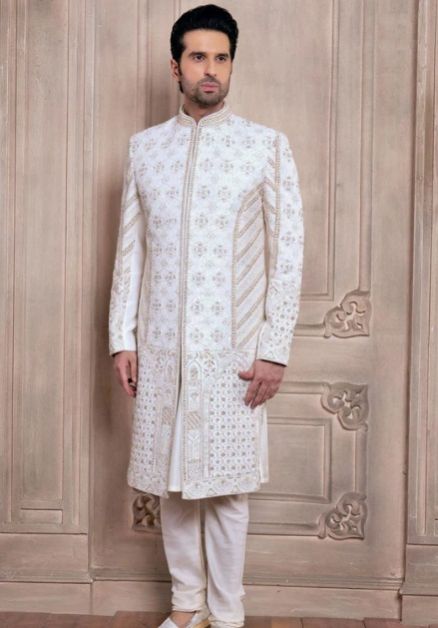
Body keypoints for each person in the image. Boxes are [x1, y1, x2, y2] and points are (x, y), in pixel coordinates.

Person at [108, 4, 304, 628]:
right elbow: (130, 252)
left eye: (221, 58)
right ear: (177, 67)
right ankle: (186, 606)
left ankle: (228, 613)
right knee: (172, 482)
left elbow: (288, 253)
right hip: (162, 344)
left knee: (225, 487)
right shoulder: (145, 150)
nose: (211, 69)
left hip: (233, 348)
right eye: (198, 57)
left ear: (231, 65)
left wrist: (273, 348)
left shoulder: (264, 147)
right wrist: (122, 338)